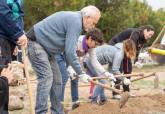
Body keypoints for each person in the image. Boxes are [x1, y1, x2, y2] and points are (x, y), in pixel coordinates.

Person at [26, 5, 102, 114]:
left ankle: (57, 111)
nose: (93, 26)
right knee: (46, 77)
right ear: (87, 17)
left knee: (58, 80)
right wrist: (81, 73)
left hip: (48, 50)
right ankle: (40, 112)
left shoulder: (76, 21)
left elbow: (67, 51)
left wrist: (70, 68)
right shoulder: (76, 22)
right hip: (36, 43)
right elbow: (71, 52)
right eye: (94, 23)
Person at [55, 28, 113, 110]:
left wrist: (105, 72)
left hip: (71, 59)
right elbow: (69, 54)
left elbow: (94, 61)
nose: (95, 46)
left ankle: (75, 103)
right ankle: (58, 106)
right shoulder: (77, 41)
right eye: (95, 44)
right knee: (64, 77)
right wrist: (70, 68)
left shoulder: (91, 47)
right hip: (60, 54)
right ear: (89, 39)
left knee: (75, 78)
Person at [84, 39, 136, 104]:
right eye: (131, 53)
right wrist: (124, 79)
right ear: (129, 49)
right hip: (91, 60)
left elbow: (112, 68)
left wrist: (112, 78)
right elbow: (115, 69)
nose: (129, 56)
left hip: (92, 60)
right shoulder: (120, 53)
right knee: (103, 81)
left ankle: (103, 99)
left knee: (103, 80)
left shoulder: (117, 49)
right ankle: (93, 100)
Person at [108, 25, 155, 97]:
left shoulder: (144, 39)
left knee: (128, 70)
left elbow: (137, 50)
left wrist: (136, 61)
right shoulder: (136, 34)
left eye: (152, 35)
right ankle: (116, 93)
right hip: (115, 46)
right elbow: (130, 47)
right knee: (119, 69)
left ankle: (126, 92)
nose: (150, 36)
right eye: (150, 34)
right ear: (145, 31)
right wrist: (131, 60)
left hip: (125, 49)